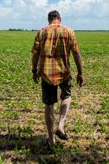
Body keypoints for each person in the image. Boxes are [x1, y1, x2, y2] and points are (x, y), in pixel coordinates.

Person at [31, 10, 84, 147]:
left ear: (49, 19)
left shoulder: (41, 32)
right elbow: (76, 53)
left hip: (46, 73)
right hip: (64, 72)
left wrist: (34, 70)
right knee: (66, 96)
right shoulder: (69, 31)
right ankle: (61, 125)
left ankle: (51, 139)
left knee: (49, 105)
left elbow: (35, 54)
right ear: (59, 19)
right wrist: (80, 72)